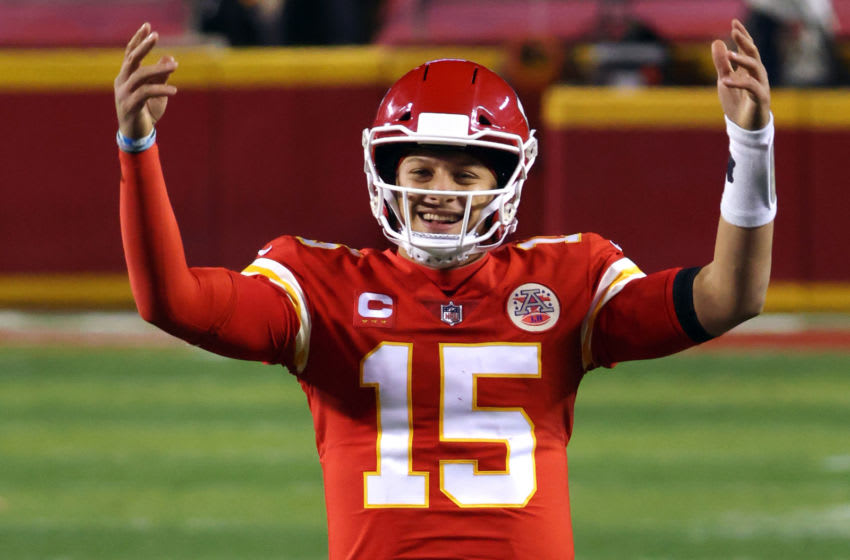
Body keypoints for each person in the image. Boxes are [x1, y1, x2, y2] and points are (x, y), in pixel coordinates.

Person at [114, 19, 775, 559]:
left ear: (504, 183)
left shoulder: (566, 279)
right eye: (422, 168)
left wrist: (751, 142)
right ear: (385, 169)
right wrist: (137, 145)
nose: (439, 191)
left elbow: (730, 296)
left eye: (465, 175)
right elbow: (170, 301)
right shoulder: (318, 286)